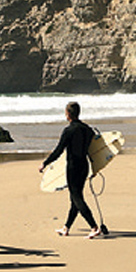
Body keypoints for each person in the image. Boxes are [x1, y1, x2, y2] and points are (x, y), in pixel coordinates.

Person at [39, 101, 102, 239]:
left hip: (73, 167)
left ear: (68, 114)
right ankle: (66, 228)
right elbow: (96, 146)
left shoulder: (69, 131)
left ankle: (94, 227)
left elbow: (59, 150)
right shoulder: (88, 129)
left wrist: (45, 163)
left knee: (76, 197)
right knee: (75, 198)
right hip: (84, 166)